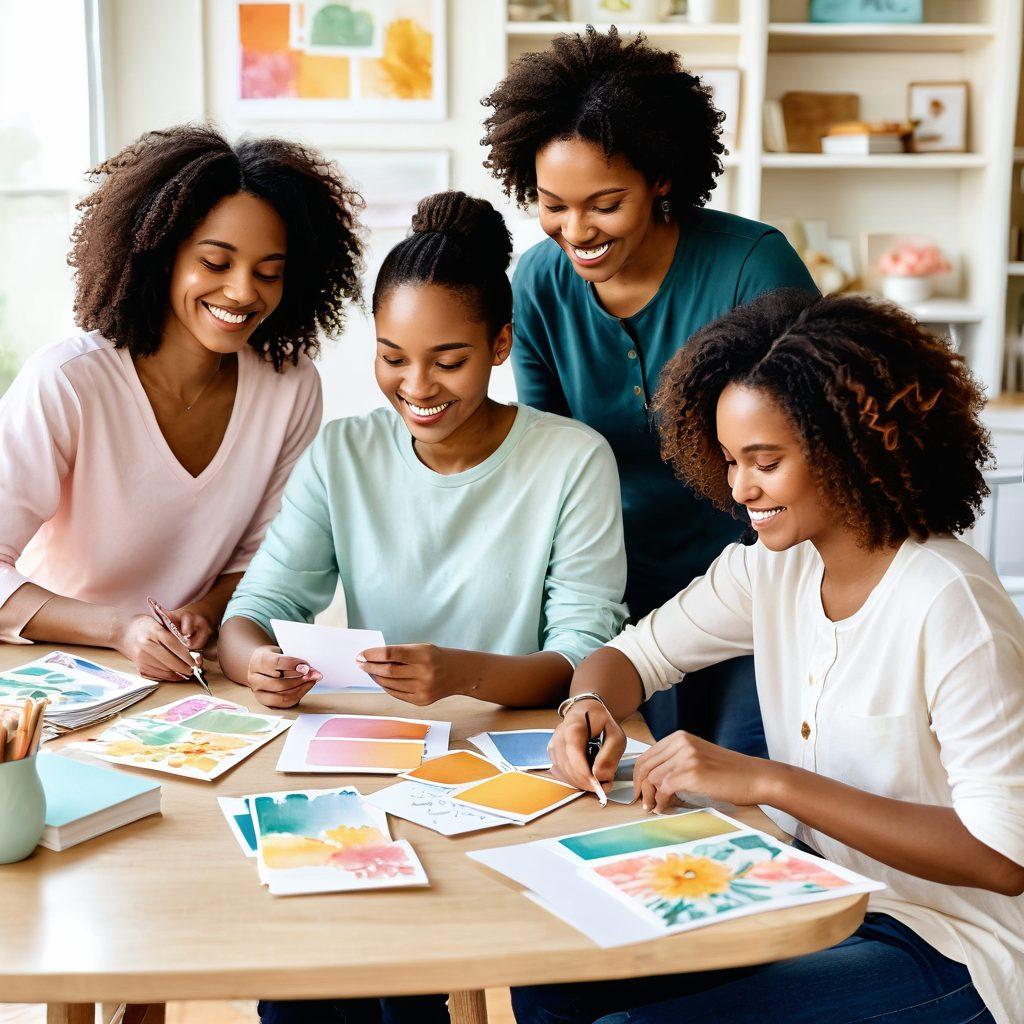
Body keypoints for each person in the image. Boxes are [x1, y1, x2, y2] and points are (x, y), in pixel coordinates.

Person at [514, 290, 1024, 1024]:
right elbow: (628, 658)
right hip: (816, 903)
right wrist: (586, 706)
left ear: (849, 448)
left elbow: (1001, 856)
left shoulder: (949, 602)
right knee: (551, 977)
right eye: (728, 460)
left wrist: (765, 780)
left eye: (765, 461)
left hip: (951, 947)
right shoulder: (771, 568)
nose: (739, 488)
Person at [219, 191, 627, 1024]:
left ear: (500, 345)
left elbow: (583, 650)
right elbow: (254, 607)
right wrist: (254, 661)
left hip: (516, 779)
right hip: (373, 766)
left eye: (448, 359)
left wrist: (462, 674)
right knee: (309, 983)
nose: (417, 386)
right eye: (391, 357)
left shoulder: (573, 459)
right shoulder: (345, 451)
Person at [482, 27, 817, 750]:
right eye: (553, 205)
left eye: (604, 203)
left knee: (743, 769)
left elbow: (816, 449)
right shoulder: (539, 284)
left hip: (758, 579)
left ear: (660, 178)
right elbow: (554, 460)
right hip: (619, 589)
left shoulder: (751, 268)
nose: (576, 232)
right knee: (640, 782)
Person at [0, 125, 363, 680]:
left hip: (194, 678)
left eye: (269, 273)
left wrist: (204, 614)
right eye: (216, 264)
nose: (244, 292)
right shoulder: (69, 382)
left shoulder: (289, 387)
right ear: (160, 255)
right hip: (58, 675)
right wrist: (117, 628)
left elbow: (266, 559)